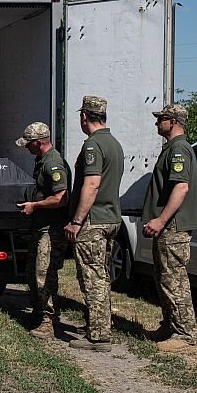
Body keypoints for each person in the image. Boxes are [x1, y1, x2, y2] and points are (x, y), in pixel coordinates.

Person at [64, 96, 124, 352]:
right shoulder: (114, 144)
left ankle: (98, 336)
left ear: (84, 117)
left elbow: (92, 184)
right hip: (111, 218)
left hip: (94, 221)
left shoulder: (93, 146)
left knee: (92, 276)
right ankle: (100, 325)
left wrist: (77, 221)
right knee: (101, 274)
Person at [141, 103, 197, 352]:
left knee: (174, 279)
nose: (157, 123)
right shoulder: (172, 148)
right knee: (163, 277)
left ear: (173, 121)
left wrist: (161, 220)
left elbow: (181, 187)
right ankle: (170, 325)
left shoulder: (179, 149)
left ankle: (184, 334)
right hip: (167, 228)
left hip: (173, 228)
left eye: (161, 118)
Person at [15, 122, 71, 339]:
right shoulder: (42, 161)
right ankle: (39, 313)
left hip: (52, 229)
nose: (27, 148)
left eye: (29, 144)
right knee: (33, 271)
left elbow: (61, 198)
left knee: (44, 275)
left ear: (39, 143)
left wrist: (35, 206)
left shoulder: (53, 163)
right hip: (42, 227)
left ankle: (49, 321)